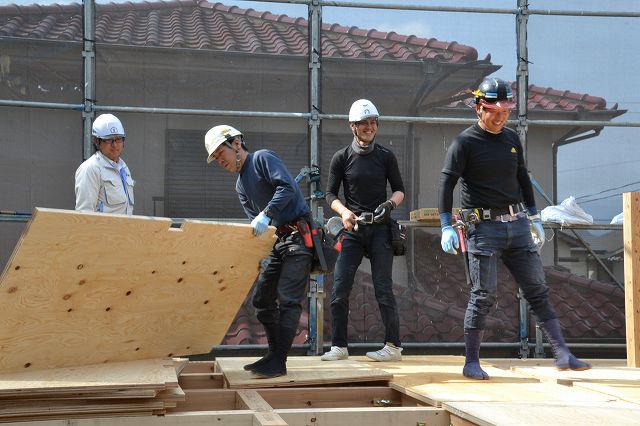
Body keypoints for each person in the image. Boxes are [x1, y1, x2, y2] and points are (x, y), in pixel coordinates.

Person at [438, 78, 591, 380]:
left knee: (537, 289)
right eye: (493, 110)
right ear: (479, 108)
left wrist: (534, 217)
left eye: (505, 110)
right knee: (484, 295)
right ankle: (471, 362)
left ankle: (563, 353)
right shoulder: (464, 143)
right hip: (482, 228)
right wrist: (446, 225)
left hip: (518, 224)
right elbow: (446, 184)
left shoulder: (511, 139)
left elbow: (522, 177)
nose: (500, 116)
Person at [204, 124, 313, 379]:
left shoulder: (262, 158)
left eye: (222, 154)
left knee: (288, 299)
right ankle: (274, 356)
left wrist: (266, 214)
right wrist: (260, 252)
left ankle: (279, 361)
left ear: (237, 144)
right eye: (217, 158)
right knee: (262, 300)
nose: (221, 161)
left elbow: (286, 187)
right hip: (278, 242)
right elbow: (258, 227)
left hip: (298, 236)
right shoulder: (241, 186)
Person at [321, 99, 405, 362]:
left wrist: (390, 205)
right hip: (353, 229)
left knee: (383, 287)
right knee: (340, 286)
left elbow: (400, 190)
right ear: (352, 126)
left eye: (373, 123)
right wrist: (345, 212)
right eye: (364, 123)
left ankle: (392, 347)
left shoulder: (386, 156)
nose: (370, 127)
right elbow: (330, 194)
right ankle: (339, 346)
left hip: (380, 229)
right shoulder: (342, 157)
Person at [75, 114, 134, 215]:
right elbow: (84, 214)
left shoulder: (123, 167)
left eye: (118, 139)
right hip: (103, 231)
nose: (114, 145)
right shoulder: (90, 169)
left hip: (124, 230)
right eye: (108, 140)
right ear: (96, 141)